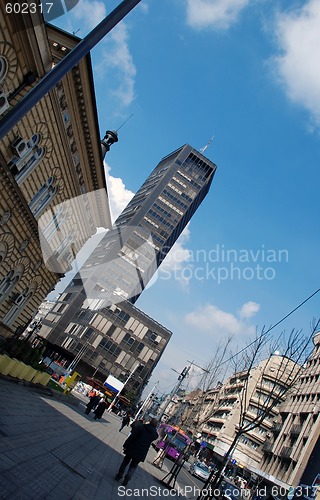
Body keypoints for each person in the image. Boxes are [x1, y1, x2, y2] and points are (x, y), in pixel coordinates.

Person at [115, 418, 158, 486]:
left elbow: (132, 436)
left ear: (149, 422)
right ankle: (128, 476)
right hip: (141, 451)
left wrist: (126, 444)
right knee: (134, 465)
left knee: (125, 461)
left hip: (133, 447)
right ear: (156, 425)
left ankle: (119, 475)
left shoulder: (141, 427)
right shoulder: (154, 434)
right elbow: (156, 437)